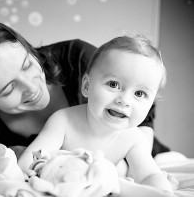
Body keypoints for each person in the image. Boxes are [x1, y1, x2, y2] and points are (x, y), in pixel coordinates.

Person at [0, 18, 168, 159]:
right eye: (7, 90)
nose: (33, 88)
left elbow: (143, 100)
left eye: (28, 64)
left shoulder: (79, 59)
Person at [18, 35, 173, 192]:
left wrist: (161, 188)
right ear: (86, 85)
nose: (125, 100)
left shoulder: (134, 138)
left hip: (102, 180)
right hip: (66, 180)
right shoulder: (63, 121)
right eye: (113, 84)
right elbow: (31, 157)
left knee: (122, 173)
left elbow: (148, 174)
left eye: (139, 93)